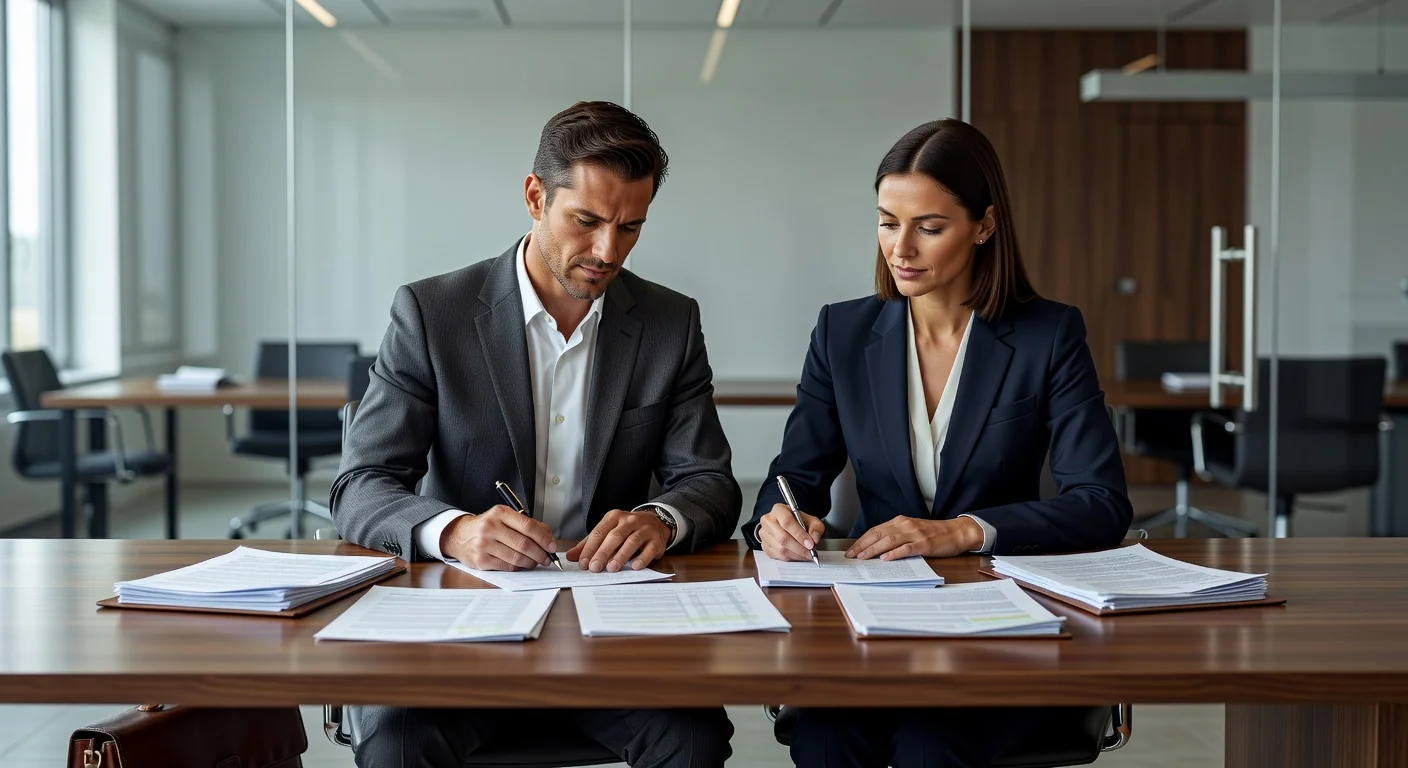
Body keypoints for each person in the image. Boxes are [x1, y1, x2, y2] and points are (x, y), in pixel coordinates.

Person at [332, 100, 740, 768]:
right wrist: (455, 531)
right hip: (460, 627)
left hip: (613, 631)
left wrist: (662, 519)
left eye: (630, 228)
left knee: (694, 740)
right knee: (397, 744)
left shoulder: (670, 323)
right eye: (587, 221)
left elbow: (711, 484)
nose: (608, 251)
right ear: (534, 196)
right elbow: (359, 485)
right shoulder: (433, 314)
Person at [743, 118, 1133, 767]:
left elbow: (1101, 502)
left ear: (984, 225)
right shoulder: (842, 333)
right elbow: (792, 480)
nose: (902, 248)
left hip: (996, 624)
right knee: (823, 737)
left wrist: (963, 530)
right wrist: (777, 523)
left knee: (931, 745)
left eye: (929, 226)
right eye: (887, 221)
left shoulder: (1047, 335)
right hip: (871, 622)